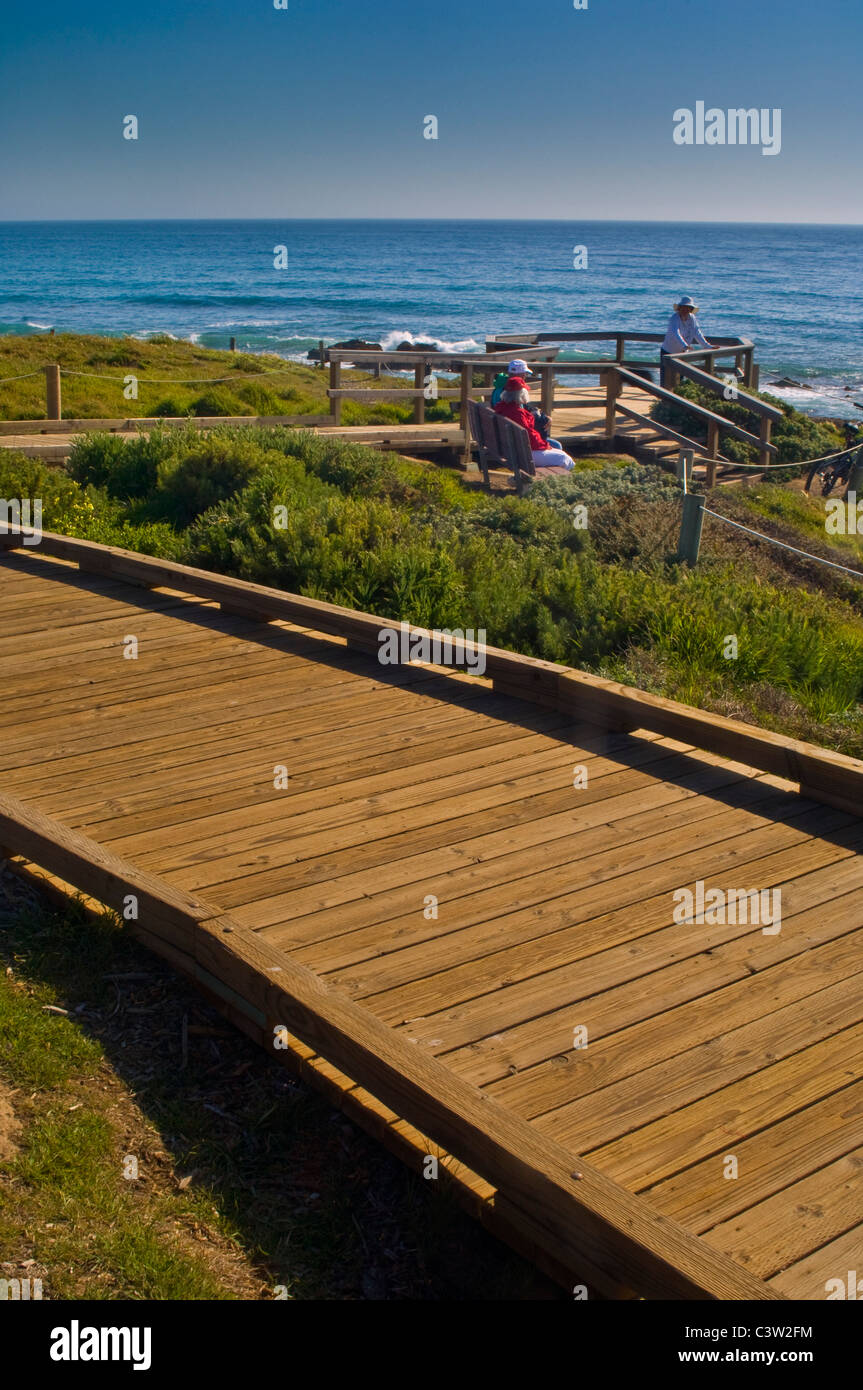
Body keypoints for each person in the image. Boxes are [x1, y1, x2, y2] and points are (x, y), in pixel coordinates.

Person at [493, 375, 575, 469]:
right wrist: (545, 446)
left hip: (512, 449)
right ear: (521, 394)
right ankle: (549, 482)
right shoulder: (517, 413)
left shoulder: (501, 407)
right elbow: (529, 437)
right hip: (523, 454)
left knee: (560, 452)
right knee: (565, 459)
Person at [491, 358, 551, 439]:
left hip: (502, 431)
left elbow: (525, 407)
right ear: (521, 374)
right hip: (513, 436)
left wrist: (543, 416)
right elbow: (519, 414)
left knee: (542, 420)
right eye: (525, 374)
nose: (525, 376)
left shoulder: (499, 387)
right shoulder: (512, 390)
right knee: (554, 442)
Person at [660, 295, 712, 386]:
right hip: (668, 352)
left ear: (691, 309)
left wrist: (707, 346)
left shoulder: (692, 318)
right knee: (666, 379)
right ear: (679, 308)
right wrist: (684, 345)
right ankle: (663, 399)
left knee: (679, 379)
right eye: (683, 308)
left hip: (682, 354)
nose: (685, 310)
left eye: (688, 308)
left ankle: (677, 398)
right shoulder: (674, 318)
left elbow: (697, 332)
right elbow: (676, 333)